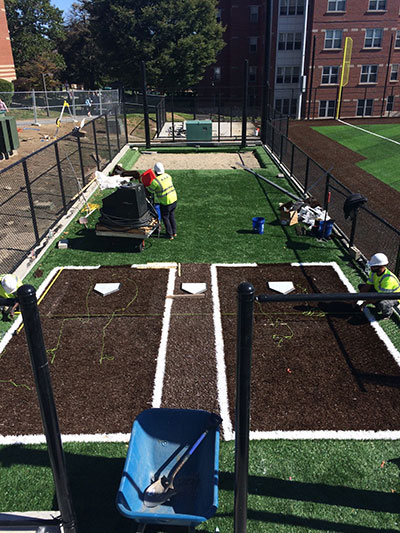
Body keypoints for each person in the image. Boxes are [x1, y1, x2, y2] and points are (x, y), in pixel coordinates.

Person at [357, 253, 400, 319]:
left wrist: (364, 304)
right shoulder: (373, 272)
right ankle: (377, 306)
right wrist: (355, 299)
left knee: (383, 303)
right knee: (361, 287)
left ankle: (388, 313)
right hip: (379, 291)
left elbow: (378, 297)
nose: (371, 267)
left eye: (373, 266)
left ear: (381, 266)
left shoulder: (388, 280)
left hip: (393, 297)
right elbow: (367, 286)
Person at [146, 162, 177, 240]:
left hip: (166, 202)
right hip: (174, 199)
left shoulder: (155, 181)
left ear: (155, 172)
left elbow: (150, 190)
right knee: (172, 215)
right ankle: (174, 232)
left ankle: (169, 234)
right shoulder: (168, 176)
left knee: (165, 217)